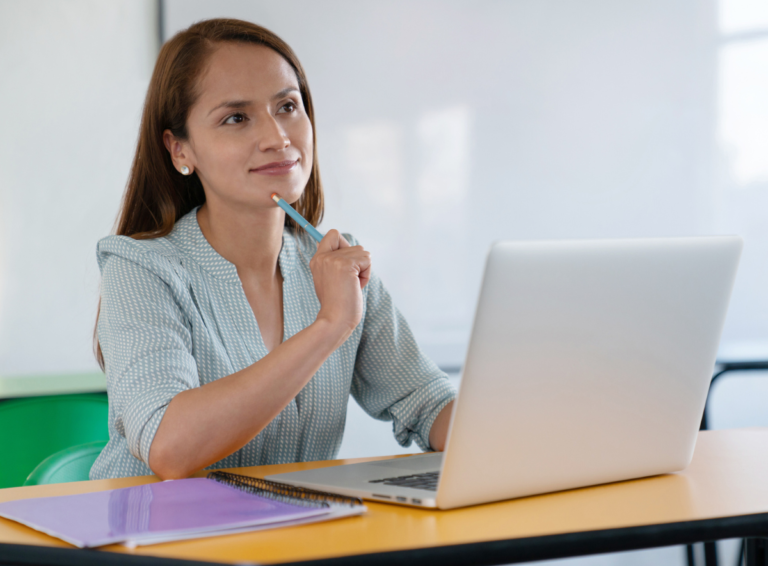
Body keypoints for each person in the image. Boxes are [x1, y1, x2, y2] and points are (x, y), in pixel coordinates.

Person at [90, 19, 456, 481]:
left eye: (287, 106)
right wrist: (328, 326)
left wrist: (524, 435)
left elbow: (428, 403)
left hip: (291, 538)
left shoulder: (337, 264)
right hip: (154, 544)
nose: (278, 137)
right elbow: (171, 448)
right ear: (180, 149)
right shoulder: (141, 268)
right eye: (236, 118)